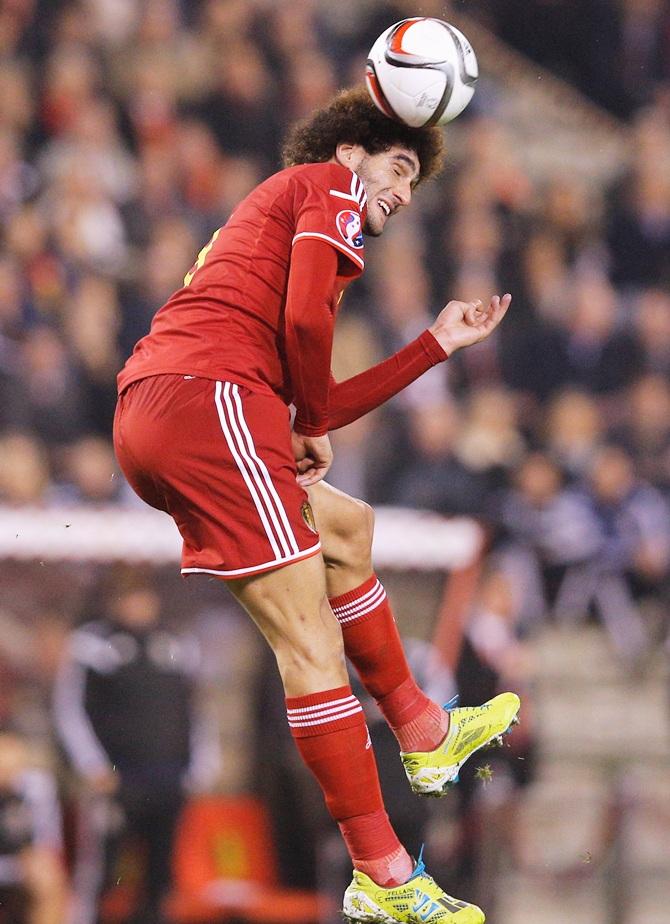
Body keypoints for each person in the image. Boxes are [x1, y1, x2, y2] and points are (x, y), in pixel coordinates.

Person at [113, 87, 519, 924]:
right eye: (400, 167)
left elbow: (318, 390)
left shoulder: (292, 221)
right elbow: (304, 336)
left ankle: (419, 727)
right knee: (309, 646)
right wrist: (303, 416)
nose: (405, 195)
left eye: (415, 182)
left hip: (188, 406)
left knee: (347, 527)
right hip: (207, 402)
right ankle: (382, 872)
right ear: (351, 153)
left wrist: (434, 344)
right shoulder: (322, 188)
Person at [53, 565, 218, 924]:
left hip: (167, 775)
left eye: (143, 597)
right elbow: (70, 709)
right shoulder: (93, 645)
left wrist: (201, 762)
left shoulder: (175, 644)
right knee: (102, 870)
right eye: (129, 598)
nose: (137, 606)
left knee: (160, 870)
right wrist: (93, 765)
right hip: (117, 777)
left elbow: (195, 708)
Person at [0, 731, 68, 924]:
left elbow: (48, 841)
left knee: (47, 874)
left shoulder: (37, 787)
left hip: (20, 862)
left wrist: (33, 858)